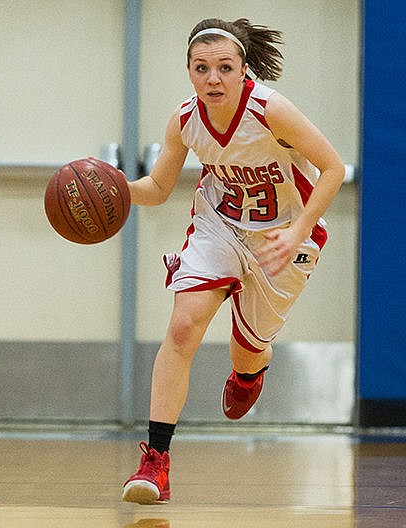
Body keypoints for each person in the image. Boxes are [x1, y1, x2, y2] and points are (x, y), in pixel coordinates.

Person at [121, 17, 345, 505]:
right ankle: (155, 462)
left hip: (285, 236)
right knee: (182, 329)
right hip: (218, 226)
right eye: (202, 68)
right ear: (189, 72)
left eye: (225, 67)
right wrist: (118, 191)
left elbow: (333, 167)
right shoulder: (185, 120)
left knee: (248, 348)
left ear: (245, 71)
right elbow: (158, 188)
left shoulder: (271, 111)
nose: (213, 78)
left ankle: (250, 370)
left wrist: (299, 229)